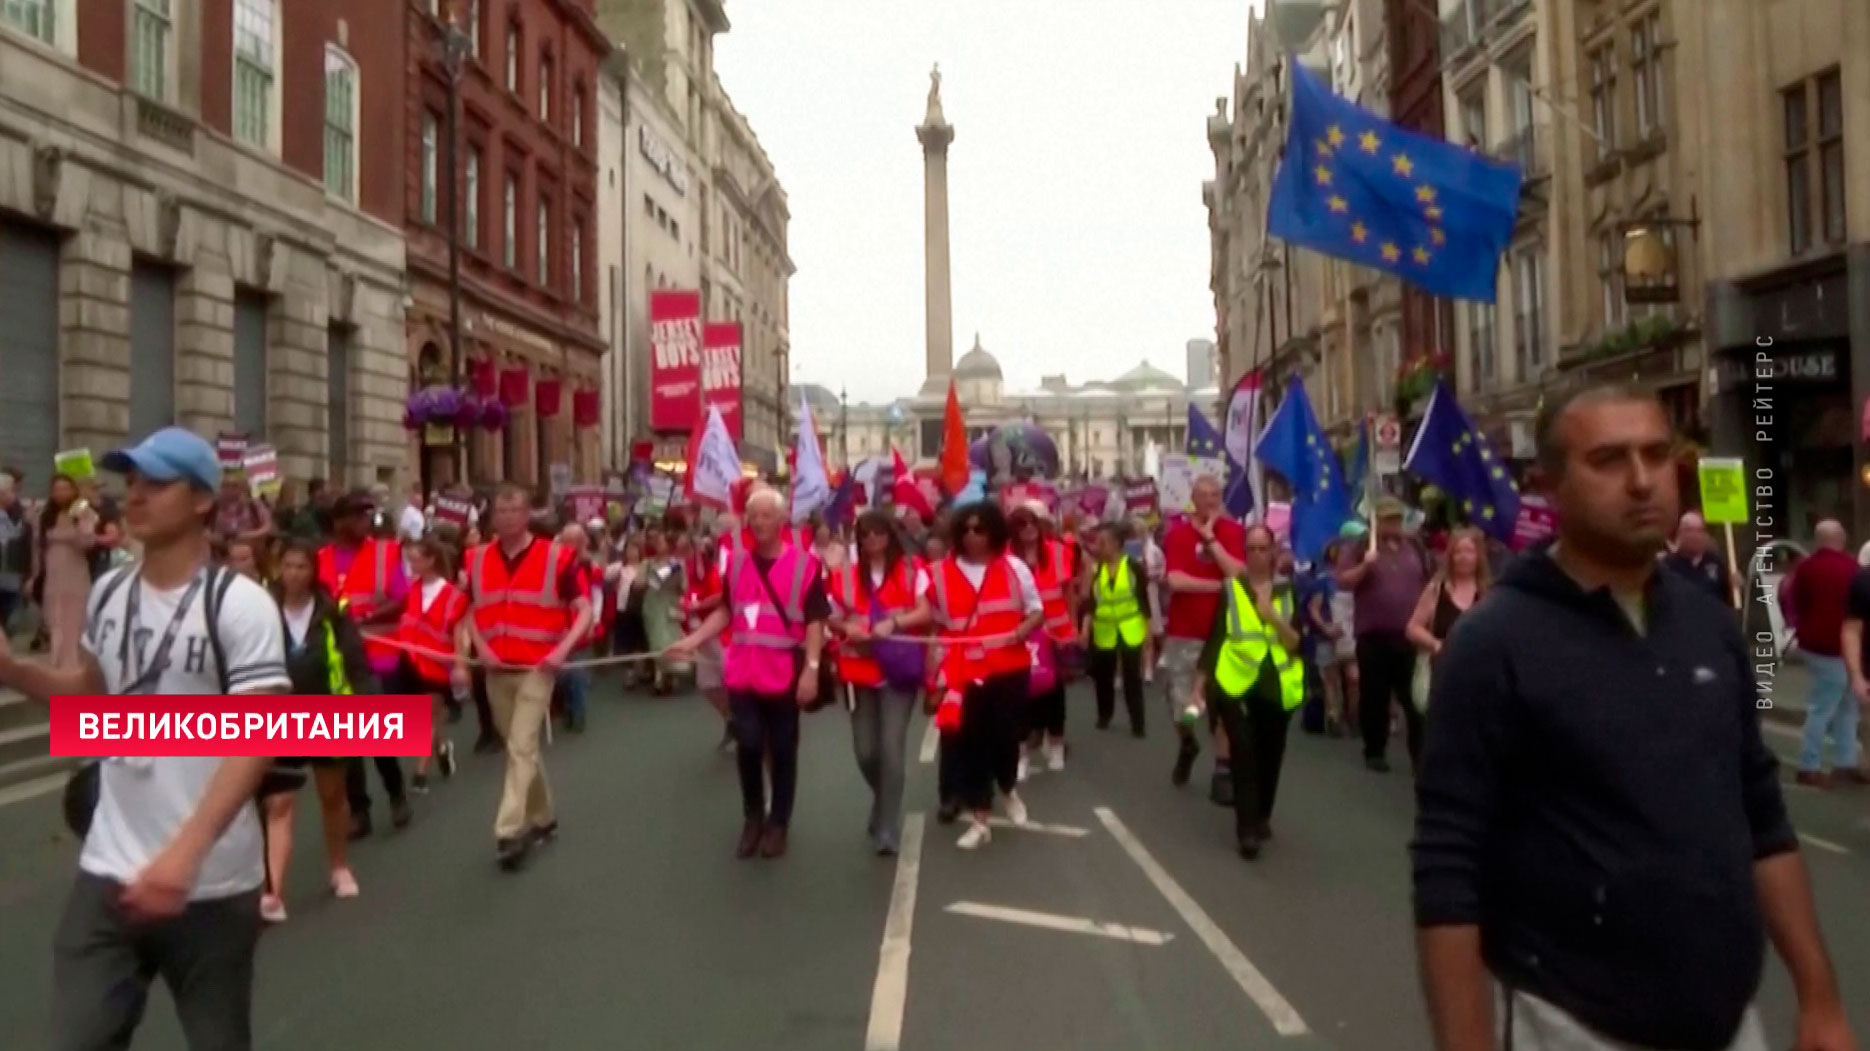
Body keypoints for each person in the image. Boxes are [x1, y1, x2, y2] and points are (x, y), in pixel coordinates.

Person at [1412, 383, 1852, 1051]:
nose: (1643, 480)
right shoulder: (1493, 643)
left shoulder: (1708, 621)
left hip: (1728, 1023)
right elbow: (1448, 865)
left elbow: (1763, 818)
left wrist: (1819, 996)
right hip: (1569, 1021)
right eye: (1609, 460)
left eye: (1656, 454)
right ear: (1550, 485)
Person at [0, 427, 289, 1050]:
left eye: (156, 484)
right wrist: (16, 672)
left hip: (210, 885)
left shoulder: (239, 605)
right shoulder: (109, 593)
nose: (134, 496)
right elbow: (93, 697)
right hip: (109, 874)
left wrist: (182, 857)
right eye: (130, 482)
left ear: (203, 501)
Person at [670, 488, 828, 859]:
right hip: (742, 671)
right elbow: (726, 611)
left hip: (784, 672)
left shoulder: (806, 565)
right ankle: (753, 818)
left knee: (784, 750)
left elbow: (816, 622)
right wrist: (692, 640)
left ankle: (779, 824)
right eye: (752, 516)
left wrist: (812, 670)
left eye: (765, 516)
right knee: (750, 744)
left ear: (782, 520)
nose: (758, 523)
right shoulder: (737, 563)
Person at [463, 483, 592, 870]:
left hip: (538, 666)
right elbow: (465, 606)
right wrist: (478, 647)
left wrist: (562, 650)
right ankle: (543, 815)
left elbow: (584, 609)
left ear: (527, 515)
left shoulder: (558, 557)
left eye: (514, 511)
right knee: (519, 748)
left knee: (521, 745)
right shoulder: (475, 559)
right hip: (496, 666)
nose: (506, 519)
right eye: (500, 512)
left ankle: (508, 828)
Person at [260, 540, 374, 922]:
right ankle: (273, 890)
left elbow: (356, 660)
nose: (293, 574)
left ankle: (339, 866)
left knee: (332, 796)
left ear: (313, 572)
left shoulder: (333, 612)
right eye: (288, 566)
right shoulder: (261, 608)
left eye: (301, 567)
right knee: (278, 803)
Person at [925, 500, 1043, 850]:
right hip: (964, 669)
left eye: (980, 529)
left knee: (1006, 737)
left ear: (994, 532)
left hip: (1008, 666)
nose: (973, 536)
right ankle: (981, 817)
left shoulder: (1015, 568)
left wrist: (1021, 632)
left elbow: (1036, 611)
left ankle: (1007, 785)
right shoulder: (939, 574)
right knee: (972, 741)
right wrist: (933, 674)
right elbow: (932, 624)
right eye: (966, 530)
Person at [1190, 523, 1302, 859]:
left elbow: (1296, 643)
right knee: (1244, 755)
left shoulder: (1287, 592)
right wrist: (1199, 685)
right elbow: (1216, 638)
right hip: (1235, 683)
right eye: (1250, 549)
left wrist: (1273, 617)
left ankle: (1261, 815)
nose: (1256, 556)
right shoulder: (1232, 589)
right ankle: (1246, 829)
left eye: (1262, 549)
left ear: (1273, 552)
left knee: (1270, 756)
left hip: (1275, 684)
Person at [828, 509, 932, 856]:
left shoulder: (911, 569)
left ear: (890, 535)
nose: (872, 540)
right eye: (865, 534)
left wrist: (894, 623)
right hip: (858, 669)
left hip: (898, 670)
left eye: (878, 533)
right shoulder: (844, 576)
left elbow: (926, 611)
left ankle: (887, 825)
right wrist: (846, 628)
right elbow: (829, 614)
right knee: (865, 750)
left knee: (891, 747)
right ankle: (884, 797)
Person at [319, 490, 412, 837]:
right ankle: (360, 810)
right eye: (357, 517)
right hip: (336, 657)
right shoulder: (322, 558)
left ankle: (396, 793)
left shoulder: (386, 552)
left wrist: (367, 617)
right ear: (339, 522)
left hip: (378, 655)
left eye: (367, 516)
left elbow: (403, 600)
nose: (364, 523)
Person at [1161, 475, 1247, 798]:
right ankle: (1187, 743)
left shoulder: (1234, 532)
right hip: (1185, 632)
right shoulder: (1179, 534)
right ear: (1192, 499)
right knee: (1182, 705)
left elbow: (1239, 573)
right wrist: (1218, 586)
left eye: (1215, 495)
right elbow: (1177, 580)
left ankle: (1222, 770)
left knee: (1222, 703)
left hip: (1225, 632)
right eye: (1204, 495)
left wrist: (1212, 539)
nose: (1210, 500)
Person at [1336, 496, 1430, 773]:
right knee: (1374, 696)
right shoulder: (1360, 547)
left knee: (1415, 699)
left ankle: (1420, 754)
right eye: (1388, 519)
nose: (1394, 524)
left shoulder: (1415, 547)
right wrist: (1366, 565)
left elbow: (1430, 580)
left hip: (1410, 634)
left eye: (1397, 519)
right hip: (1373, 635)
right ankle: (1375, 750)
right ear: (1376, 521)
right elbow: (1343, 581)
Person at [1786, 520, 1863, 787]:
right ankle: (1813, 765)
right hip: (1841, 646)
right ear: (1842, 540)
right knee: (1837, 707)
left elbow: (1792, 599)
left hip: (1813, 644)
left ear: (1818, 540)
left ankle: (1843, 761)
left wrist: (1798, 624)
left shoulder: (1805, 568)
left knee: (1834, 705)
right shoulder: (1853, 568)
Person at [1009, 503, 1079, 773]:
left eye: (1032, 523)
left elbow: (1069, 593)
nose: (1028, 529)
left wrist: (1072, 628)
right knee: (1023, 694)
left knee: (1054, 693)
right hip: (1023, 633)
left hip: (1056, 632)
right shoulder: (1004, 557)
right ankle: (1023, 751)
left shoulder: (1059, 552)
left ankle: (1057, 743)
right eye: (1021, 524)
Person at [397, 534, 466, 792]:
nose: (412, 565)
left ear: (431, 560)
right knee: (427, 715)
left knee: (426, 715)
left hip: (437, 665)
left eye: (416, 559)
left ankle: (420, 773)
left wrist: (460, 665)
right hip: (411, 662)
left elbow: (459, 634)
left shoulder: (452, 595)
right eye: (410, 559)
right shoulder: (411, 591)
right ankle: (442, 746)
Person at [1404, 526, 1491, 705]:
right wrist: (1435, 644)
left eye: (1469, 551)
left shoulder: (1488, 592)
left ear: (1479, 556)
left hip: (1480, 677)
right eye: (1457, 551)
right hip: (1442, 676)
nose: (1463, 557)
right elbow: (1413, 628)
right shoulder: (1436, 589)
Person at [1084, 522, 1153, 736]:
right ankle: (1105, 715)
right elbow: (1091, 603)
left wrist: (1148, 631)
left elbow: (1144, 602)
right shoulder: (1096, 570)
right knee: (1103, 676)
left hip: (1130, 628)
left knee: (1132, 677)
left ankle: (1138, 723)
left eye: (1102, 542)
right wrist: (1085, 629)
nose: (1098, 547)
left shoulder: (1133, 567)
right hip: (1104, 631)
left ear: (1116, 544)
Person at [33, 473, 99, 671]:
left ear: (73, 490)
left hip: (75, 573)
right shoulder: (46, 515)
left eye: (65, 488)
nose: (60, 493)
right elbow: (38, 547)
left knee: (74, 621)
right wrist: (34, 575)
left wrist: (79, 524)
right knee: (55, 621)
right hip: (53, 576)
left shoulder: (82, 510)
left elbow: (88, 541)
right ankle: (58, 666)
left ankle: (72, 668)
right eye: (56, 489)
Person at [1662, 510, 1735, 607]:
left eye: (1699, 530)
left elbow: (1727, 598)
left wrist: (1733, 585)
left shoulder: (1716, 563)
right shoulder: (1667, 566)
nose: (1694, 535)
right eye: (1689, 530)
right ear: (1679, 533)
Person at [0, 468, 32, 638]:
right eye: (11, 491)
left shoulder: (7, 514)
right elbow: (6, 541)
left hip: (9, 576)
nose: (14, 495)